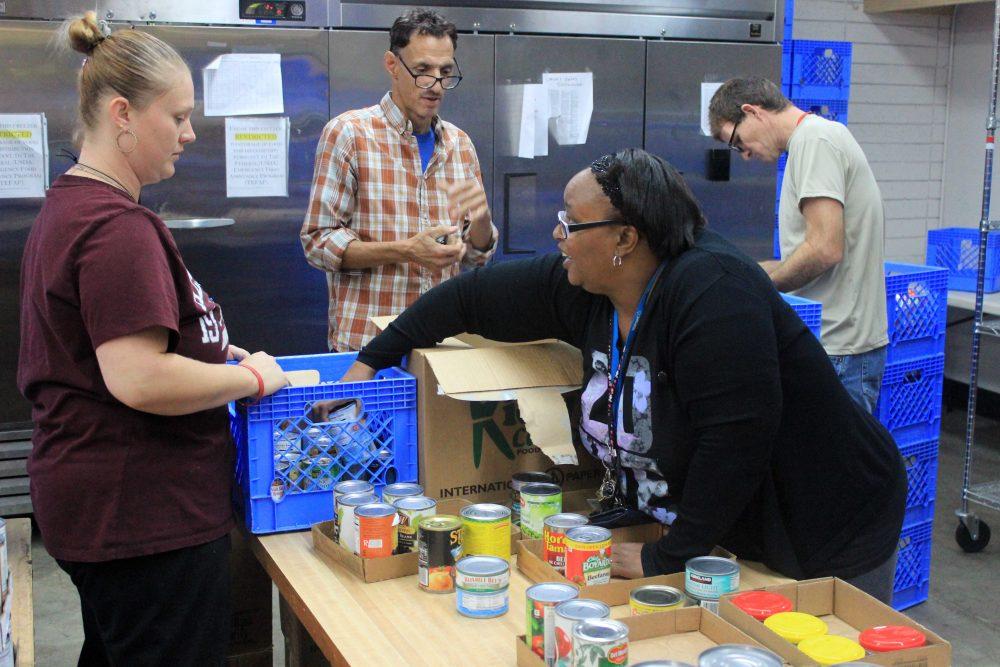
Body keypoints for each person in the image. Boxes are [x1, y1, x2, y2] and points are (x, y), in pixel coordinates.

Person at [341, 148, 907, 603]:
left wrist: (669, 557)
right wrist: (372, 359)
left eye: (572, 221)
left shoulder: (714, 293)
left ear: (624, 238)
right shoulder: (591, 288)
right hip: (728, 532)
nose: (558, 233)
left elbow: (737, 440)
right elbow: (469, 298)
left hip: (826, 521)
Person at [17, 14, 287, 665]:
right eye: (179, 116)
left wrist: (214, 353)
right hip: (141, 517)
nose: (190, 134)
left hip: (106, 510)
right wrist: (254, 378)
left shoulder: (72, 207)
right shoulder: (116, 228)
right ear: (122, 115)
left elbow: (110, 346)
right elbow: (139, 377)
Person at [301, 9, 497, 352]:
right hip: (368, 346)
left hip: (441, 345)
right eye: (422, 71)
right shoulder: (350, 135)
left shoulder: (459, 144)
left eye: (445, 73)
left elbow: (475, 258)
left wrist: (481, 221)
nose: (435, 85)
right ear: (392, 65)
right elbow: (318, 243)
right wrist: (406, 251)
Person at [708, 78, 889, 414]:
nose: (744, 155)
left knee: (832, 464)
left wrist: (761, 288)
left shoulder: (815, 140)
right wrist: (744, 275)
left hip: (839, 349)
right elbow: (810, 250)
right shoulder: (812, 141)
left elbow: (824, 249)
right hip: (836, 346)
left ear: (753, 112)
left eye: (736, 141)